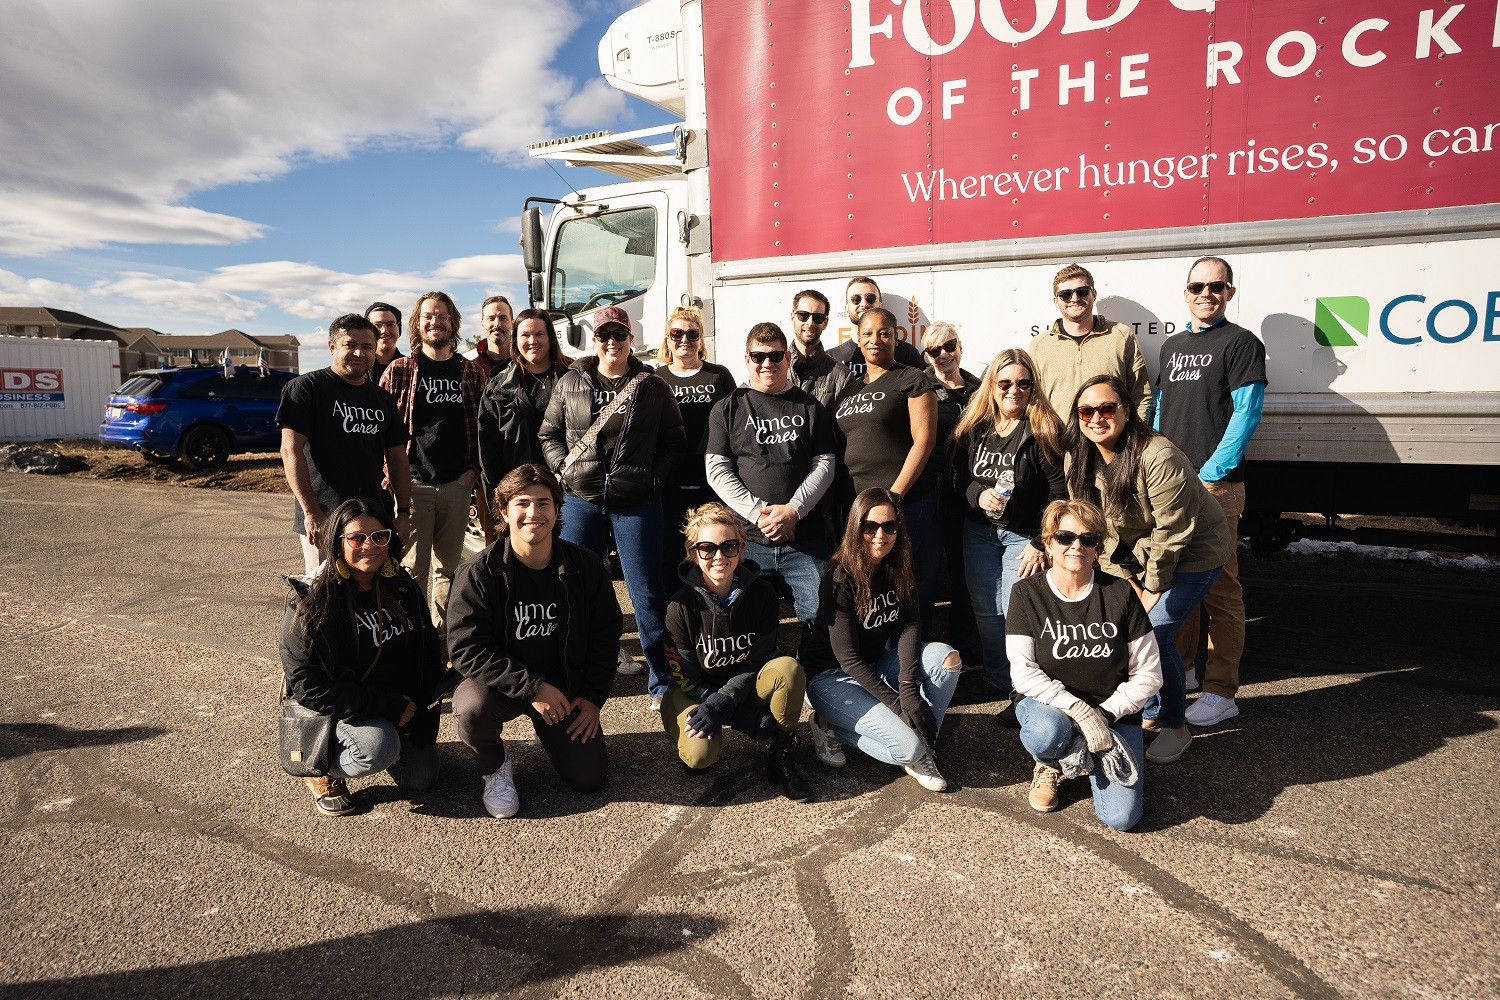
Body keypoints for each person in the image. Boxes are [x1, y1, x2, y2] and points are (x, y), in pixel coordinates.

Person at [1066, 374, 1232, 765]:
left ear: (1126, 410)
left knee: (1154, 633)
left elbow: (1173, 533)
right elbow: (1093, 526)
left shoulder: (1159, 455)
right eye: (1086, 410)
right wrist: (1115, 579)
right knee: (1129, 628)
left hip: (1194, 551)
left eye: (1107, 408)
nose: (1096, 418)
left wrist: (1149, 590)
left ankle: (1175, 725)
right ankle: (1154, 711)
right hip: (1138, 551)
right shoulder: (1080, 455)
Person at [446, 464, 623, 817]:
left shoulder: (585, 566)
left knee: (589, 779)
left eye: (544, 503)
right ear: (503, 511)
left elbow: (606, 637)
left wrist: (591, 698)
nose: (533, 513)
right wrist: (532, 688)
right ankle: (494, 765)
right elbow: (467, 649)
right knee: (471, 708)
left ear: (557, 510)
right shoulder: (479, 573)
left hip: (565, 688)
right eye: (522, 503)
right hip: (503, 686)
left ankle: (553, 737)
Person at [538, 305, 687, 710]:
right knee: (574, 592)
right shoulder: (571, 381)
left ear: (630, 338)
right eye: (604, 334)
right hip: (582, 500)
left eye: (619, 334)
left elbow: (674, 441)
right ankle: (574, 678)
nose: (611, 342)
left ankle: (661, 683)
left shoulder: (652, 385)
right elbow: (549, 433)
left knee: (647, 593)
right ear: (594, 339)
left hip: (637, 502)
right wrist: (562, 472)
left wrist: (652, 480)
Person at [1155, 256, 1267, 728]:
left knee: (1221, 589)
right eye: (1198, 286)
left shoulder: (1241, 343)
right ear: (1185, 292)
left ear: (1230, 292)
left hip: (1213, 486)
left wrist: (1211, 473)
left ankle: (1222, 690)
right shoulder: (1172, 347)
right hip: (1172, 486)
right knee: (1181, 587)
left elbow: (1247, 412)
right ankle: (1181, 674)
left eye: (1216, 286)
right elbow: (1160, 411)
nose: (1207, 293)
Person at [280, 499, 444, 816]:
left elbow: (426, 651)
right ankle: (320, 768)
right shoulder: (311, 597)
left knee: (422, 777)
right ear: (337, 544)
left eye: (379, 536)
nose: (369, 545)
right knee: (376, 749)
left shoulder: (402, 584)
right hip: (334, 707)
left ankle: (385, 737)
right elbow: (307, 685)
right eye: (356, 538)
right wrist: (389, 707)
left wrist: (417, 709)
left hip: (389, 703)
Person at [1005, 499, 1162, 830]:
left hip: (1113, 716)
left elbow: (1149, 674)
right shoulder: (1026, 594)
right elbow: (1023, 672)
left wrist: (1103, 716)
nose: (1077, 546)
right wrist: (1080, 712)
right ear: (1047, 542)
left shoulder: (1120, 592)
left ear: (1097, 547)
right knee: (1047, 732)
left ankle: (1081, 750)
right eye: (1065, 537)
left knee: (1122, 819)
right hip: (1051, 709)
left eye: (1088, 539)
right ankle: (1048, 762)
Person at [801, 488, 963, 791]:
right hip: (831, 677)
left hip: (875, 664)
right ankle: (828, 723)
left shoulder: (898, 565)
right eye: (870, 526)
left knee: (947, 658)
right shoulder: (840, 577)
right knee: (907, 747)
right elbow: (847, 658)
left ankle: (924, 743)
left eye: (889, 526)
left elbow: (910, 625)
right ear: (856, 527)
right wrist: (897, 704)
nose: (880, 534)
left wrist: (908, 688)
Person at [662, 503, 811, 800]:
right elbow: (685, 677)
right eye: (707, 548)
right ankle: (701, 734)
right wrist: (738, 715)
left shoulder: (763, 594)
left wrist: (727, 701)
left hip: (745, 684)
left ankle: (780, 757)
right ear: (694, 553)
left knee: (788, 670)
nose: (719, 557)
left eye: (729, 546)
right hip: (693, 690)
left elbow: (758, 658)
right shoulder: (678, 607)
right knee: (699, 757)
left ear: (741, 550)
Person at [705, 322, 836, 649]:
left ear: (788, 358)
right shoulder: (728, 407)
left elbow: (826, 464)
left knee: (822, 616)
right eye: (758, 356)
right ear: (746, 359)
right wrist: (761, 514)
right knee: (742, 622)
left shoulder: (809, 406)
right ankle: (758, 682)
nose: (768, 363)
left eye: (776, 355)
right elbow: (716, 469)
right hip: (747, 542)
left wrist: (793, 511)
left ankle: (815, 680)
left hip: (804, 538)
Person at [951, 348, 1068, 698]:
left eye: (1023, 383)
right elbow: (956, 476)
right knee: (985, 611)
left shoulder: (1043, 429)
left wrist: (1039, 540)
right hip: (979, 533)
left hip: (1023, 537)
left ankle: (1026, 685)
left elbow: (1059, 493)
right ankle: (1000, 679)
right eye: (1004, 383)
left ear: (1033, 387)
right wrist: (977, 495)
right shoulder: (974, 427)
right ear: (992, 385)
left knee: (1014, 612)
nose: (1013, 390)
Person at [380, 291, 486, 642]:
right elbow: (381, 426)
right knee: (412, 571)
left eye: (442, 316)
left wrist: (471, 474)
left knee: (450, 571)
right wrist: (388, 474)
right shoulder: (400, 370)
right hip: (412, 486)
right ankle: (412, 643)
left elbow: (483, 428)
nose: (435, 321)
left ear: (452, 323)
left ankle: (442, 644)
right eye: (428, 315)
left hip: (456, 486)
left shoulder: (469, 371)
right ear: (417, 322)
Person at [278, 314, 411, 576]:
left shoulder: (382, 399)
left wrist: (404, 512)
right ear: (332, 347)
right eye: (350, 345)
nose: (359, 352)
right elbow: (290, 450)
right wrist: (311, 512)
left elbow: (397, 458)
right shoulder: (306, 388)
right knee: (323, 592)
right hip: (324, 516)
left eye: (367, 347)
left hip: (370, 517)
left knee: (369, 591)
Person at [833, 307, 940, 632]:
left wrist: (894, 497)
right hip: (861, 510)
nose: (875, 340)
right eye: (867, 334)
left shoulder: (911, 377)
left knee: (911, 585)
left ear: (896, 337)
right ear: (858, 339)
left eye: (883, 333)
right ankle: (880, 660)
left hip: (907, 503)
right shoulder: (850, 388)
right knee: (875, 589)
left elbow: (924, 441)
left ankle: (913, 660)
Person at [653, 306, 737, 586]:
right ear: (667, 339)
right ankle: (678, 618)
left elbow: (736, 424)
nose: (684, 339)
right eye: (676, 333)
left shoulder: (718, 375)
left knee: (713, 555)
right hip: (670, 484)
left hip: (711, 483)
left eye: (692, 333)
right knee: (671, 558)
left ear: (701, 340)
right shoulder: (656, 379)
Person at [921, 321, 981, 658]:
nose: (944, 354)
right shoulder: (920, 387)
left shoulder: (979, 389)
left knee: (964, 579)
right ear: (927, 357)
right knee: (926, 578)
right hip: (931, 494)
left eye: (949, 346)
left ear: (960, 346)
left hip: (968, 498)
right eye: (935, 350)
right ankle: (924, 652)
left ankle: (960, 648)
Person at [1028, 263, 1151, 423]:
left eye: (1082, 292)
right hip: (1057, 446)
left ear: (1093, 294)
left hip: (1110, 445)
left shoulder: (1120, 336)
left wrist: (1135, 440)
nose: (1075, 298)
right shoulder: (1039, 345)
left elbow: (1141, 395)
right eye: (1066, 294)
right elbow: (1031, 401)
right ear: (1056, 301)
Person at [477, 308, 570, 501]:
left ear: (551, 338)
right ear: (515, 340)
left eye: (539, 334)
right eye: (525, 335)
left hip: (569, 491)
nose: (532, 341)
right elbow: (488, 453)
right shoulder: (497, 388)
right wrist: (496, 501)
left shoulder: (574, 379)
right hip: (519, 492)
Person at [827, 277, 923, 381]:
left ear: (880, 306)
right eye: (856, 299)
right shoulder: (830, 358)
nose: (864, 304)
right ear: (846, 308)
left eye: (870, 298)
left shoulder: (906, 353)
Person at [787, 288, 855, 409]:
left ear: (825, 322)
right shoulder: (773, 367)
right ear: (793, 317)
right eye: (803, 315)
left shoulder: (842, 376)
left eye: (817, 317)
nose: (810, 322)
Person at [472, 295, 514, 381]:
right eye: (491, 318)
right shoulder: (472, 369)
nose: (497, 324)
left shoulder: (526, 363)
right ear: (482, 324)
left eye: (503, 318)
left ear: (512, 323)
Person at [365, 301, 404, 385]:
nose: (384, 331)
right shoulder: (357, 367)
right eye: (378, 325)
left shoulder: (411, 367)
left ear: (399, 329)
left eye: (390, 324)